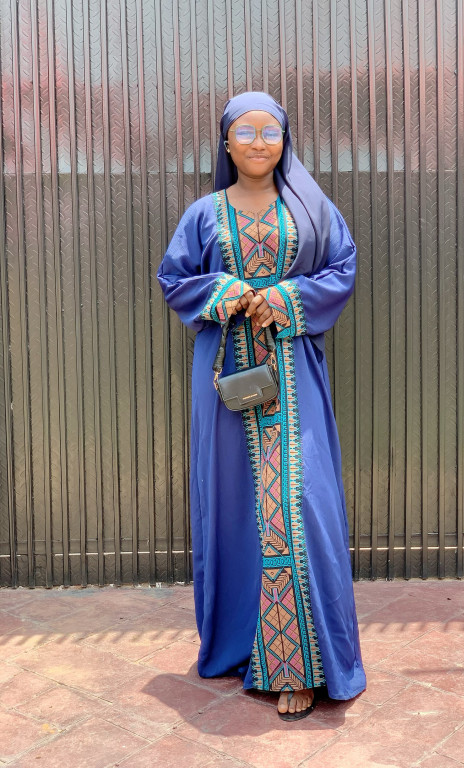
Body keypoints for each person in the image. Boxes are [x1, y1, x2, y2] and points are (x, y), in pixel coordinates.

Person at [157, 91, 366, 721]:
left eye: (269, 131)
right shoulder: (204, 213)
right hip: (226, 387)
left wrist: (286, 298)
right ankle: (243, 648)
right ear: (226, 142)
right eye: (244, 131)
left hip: (294, 377)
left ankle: (299, 666)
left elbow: (342, 267)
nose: (257, 142)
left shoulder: (311, 208)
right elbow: (174, 279)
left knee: (299, 506)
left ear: (284, 140)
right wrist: (225, 290)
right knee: (235, 510)